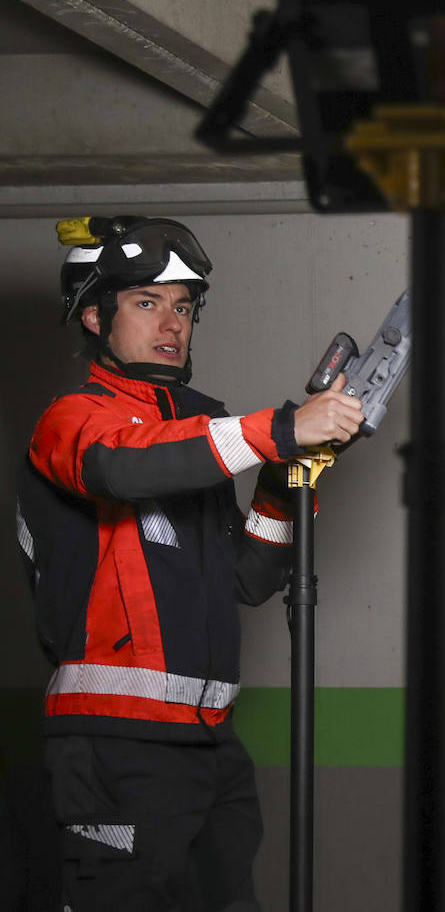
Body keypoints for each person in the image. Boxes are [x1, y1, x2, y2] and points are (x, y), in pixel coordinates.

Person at [16, 215, 365, 911]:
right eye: (146, 302)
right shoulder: (72, 419)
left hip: (209, 742)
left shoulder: (193, 436)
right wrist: (278, 430)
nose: (171, 323)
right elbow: (120, 467)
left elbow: (248, 578)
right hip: (114, 740)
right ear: (94, 316)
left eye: (183, 306)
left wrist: (281, 482)